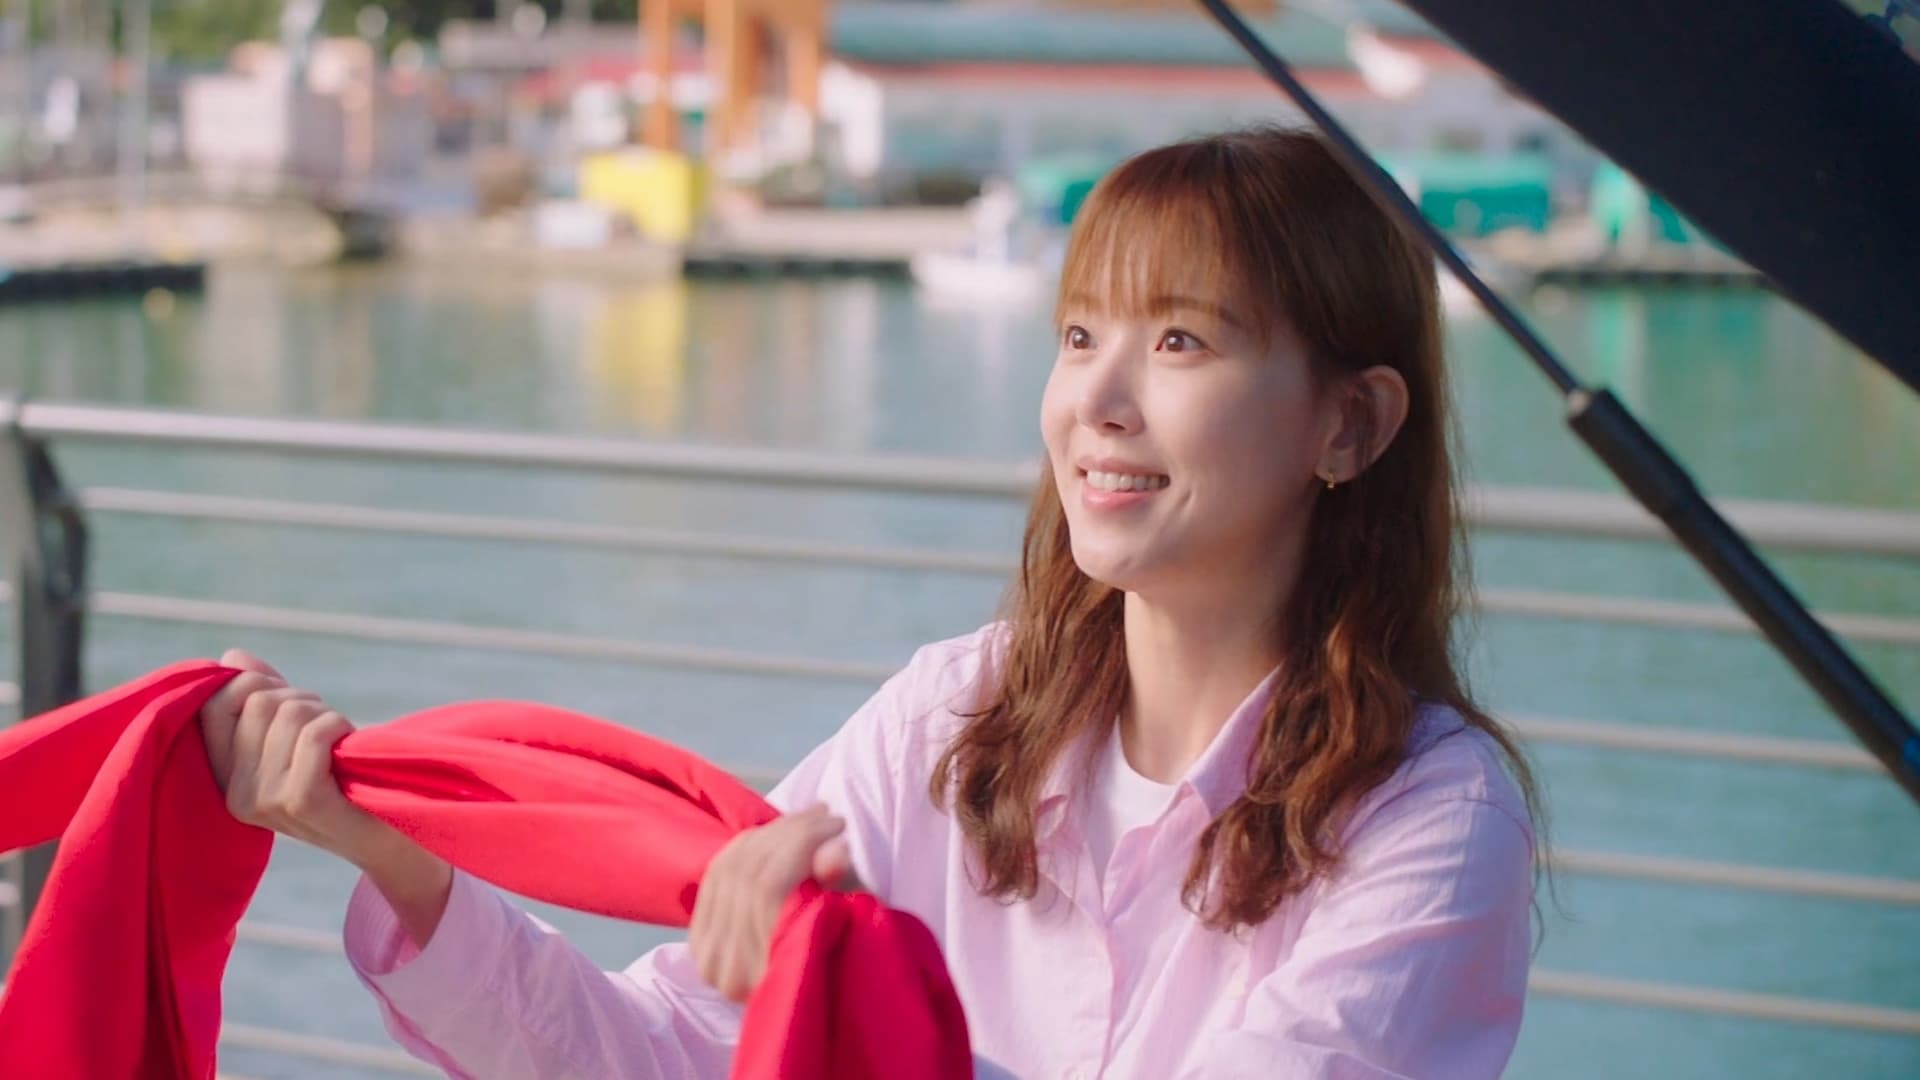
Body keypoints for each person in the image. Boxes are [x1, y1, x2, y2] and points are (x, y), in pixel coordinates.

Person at [200, 127, 1543, 1079]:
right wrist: (398, 856)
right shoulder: (954, 716)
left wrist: (860, 995)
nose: (1096, 400)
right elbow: (663, 1051)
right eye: (1079, 336)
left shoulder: (1433, 815)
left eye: (1181, 341)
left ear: (1351, 425)